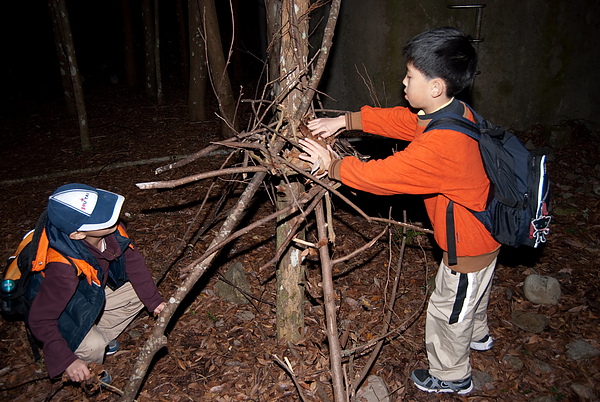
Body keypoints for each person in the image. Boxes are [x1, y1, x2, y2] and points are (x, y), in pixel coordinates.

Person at [299, 27, 500, 394]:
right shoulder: (452, 112)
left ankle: (452, 376)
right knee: (472, 295)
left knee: (447, 309)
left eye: (410, 77)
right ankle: (479, 336)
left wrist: (333, 165)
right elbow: (402, 121)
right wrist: (345, 121)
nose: (402, 82)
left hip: (467, 244)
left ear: (436, 86)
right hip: (483, 231)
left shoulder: (443, 145)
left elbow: (385, 176)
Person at [27, 183, 166, 383]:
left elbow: (134, 264)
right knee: (93, 345)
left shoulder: (112, 230)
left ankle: (96, 336)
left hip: (89, 293)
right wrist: (67, 361)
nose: (113, 216)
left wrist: (154, 302)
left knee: (138, 293)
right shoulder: (62, 270)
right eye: (101, 218)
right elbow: (40, 319)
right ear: (78, 234)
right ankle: (89, 368)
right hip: (61, 313)